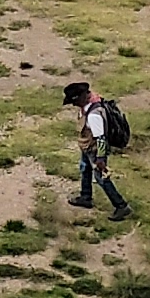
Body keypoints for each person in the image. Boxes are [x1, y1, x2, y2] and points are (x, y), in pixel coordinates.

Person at [62, 81, 129, 219]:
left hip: (95, 150)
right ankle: (86, 196)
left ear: (81, 98)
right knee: (85, 168)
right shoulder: (93, 105)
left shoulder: (93, 115)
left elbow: (101, 138)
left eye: (74, 101)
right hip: (88, 147)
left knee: (101, 178)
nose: (73, 105)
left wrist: (100, 159)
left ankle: (121, 206)